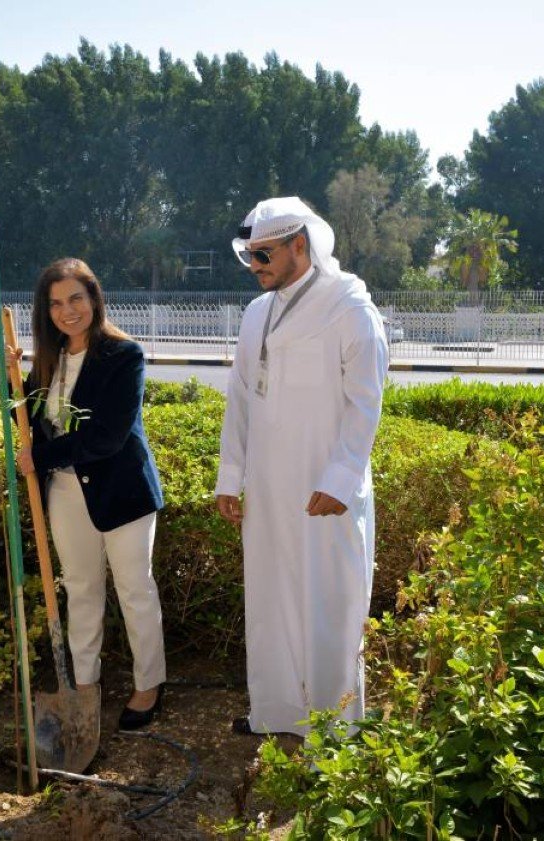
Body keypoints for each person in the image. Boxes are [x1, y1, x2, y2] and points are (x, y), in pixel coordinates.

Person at [215, 196, 389, 738]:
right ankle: (277, 713)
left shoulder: (349, 307)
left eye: (264, 254)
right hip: (268, 490)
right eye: (249, 256)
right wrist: (230, 477)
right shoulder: (256, 314)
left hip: (324, 492)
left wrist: (340, 480)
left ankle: (336, 729)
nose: (256, 267)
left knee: (329, 606)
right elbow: (242, 398)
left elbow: (366, 403)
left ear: (299, 244)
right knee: (271, 598)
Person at [15, 257, 166, 730]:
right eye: (56, 303)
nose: (67, 310)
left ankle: (148, 685)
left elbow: (107, 437)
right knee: (80, 589)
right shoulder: (46, 361)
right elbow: (27, 422)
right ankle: (84, 685)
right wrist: (9, 380)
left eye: (75, 298)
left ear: (95, 299)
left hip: (122, 493)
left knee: (133, 589)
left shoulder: (123, 356)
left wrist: (40, 457)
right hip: (64, 493)